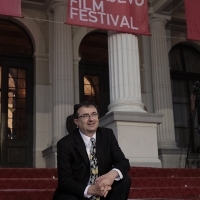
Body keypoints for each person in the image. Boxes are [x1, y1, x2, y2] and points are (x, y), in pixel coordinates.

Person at [53, 101, 131, 200]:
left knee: (124, 180)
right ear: (76, 121)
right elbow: (65, 181)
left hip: (104, 190)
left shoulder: (107, 135)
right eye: (85, 116)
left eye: (94, 114)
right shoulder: (65, 144)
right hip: (79, 193)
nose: (91, 119)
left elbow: (123, 162)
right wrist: (91, 190)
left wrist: (111, 175)